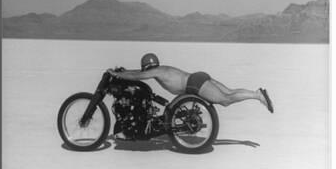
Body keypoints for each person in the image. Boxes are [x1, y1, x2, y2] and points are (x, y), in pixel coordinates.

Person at [108, 53, 274, 113]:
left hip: (193, 84)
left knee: (225, 100)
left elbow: (138, 76)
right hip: (197, 78)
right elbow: (138, 73)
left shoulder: (156, 71)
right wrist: (122, 73)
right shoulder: (161, 69)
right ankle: (256, 93)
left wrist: (118, 74)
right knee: (229, 92)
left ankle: (257, 95)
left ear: (146, 66)